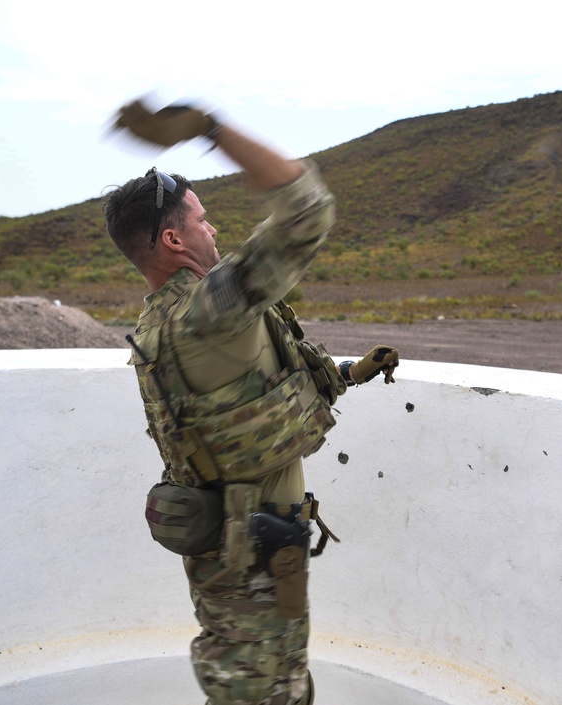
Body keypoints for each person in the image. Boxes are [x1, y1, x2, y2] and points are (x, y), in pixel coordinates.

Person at [102, 99, 400, 705]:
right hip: (253, 556)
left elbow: (251, 408)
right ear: (172, 238)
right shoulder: (207, 313)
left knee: (278, 682)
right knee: (260, 692)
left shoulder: (161, 325)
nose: (214, 230)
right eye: (202, 220)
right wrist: (209, 128)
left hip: (246, 546)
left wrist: (348, 373)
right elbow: (307, 210)